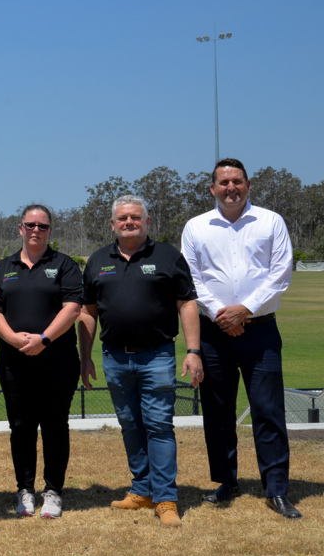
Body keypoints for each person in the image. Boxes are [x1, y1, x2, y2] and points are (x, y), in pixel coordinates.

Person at [181, 158, 300, 519]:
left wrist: (244, 310)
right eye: (223, 182)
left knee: (268, 410)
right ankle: (226, 482)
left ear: (248, 185)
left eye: (237, 181)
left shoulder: (270, 221)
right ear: (212, 188)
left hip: (260, 330)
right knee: (218, 412)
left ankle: (276, 489)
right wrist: (223, 313)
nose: (230, 187)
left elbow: (280, 272)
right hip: (214, 333)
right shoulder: (196, 227)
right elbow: (192, 279)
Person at [78, 195, 204, 528]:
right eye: (123, 218)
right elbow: (88, 313)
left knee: (159, 426)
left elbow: (187, 304)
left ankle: (165, 498)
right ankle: (142, 490)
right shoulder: (97, 260)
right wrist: (85, 357)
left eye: (135, 217)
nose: (129, 222)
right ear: (113, 224)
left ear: (147, 221)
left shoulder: (167, 256)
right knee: (131, 426)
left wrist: (193, 351)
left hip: (157, 356)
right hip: (115, 358)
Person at [0, 204, 83, 519]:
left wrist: (43, 340)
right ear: (20, 228)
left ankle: (53, 491)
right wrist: (15, 340)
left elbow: (71, 309)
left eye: (43, 226)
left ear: (50, 231)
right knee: (21, 428)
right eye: (31, 225)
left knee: (55, 426)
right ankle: (25, 491)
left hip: (58, 361)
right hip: (14, 363)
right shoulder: (3, 268)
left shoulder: (65, 264)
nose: (36, 231)